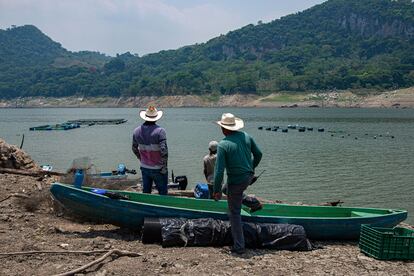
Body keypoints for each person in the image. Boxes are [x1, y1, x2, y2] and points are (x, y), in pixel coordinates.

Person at [213, 113, 263, 254]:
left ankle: (239, 246)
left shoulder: (223, 145)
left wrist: (215, 190)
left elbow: (218, 171)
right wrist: (252, 168)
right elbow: (259, 154)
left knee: (234, 213)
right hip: (247, 177)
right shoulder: (246, 136)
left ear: (224, 129)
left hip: (236, 181)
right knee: (226, 189)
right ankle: (254, 203)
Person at [132, 106, 168, 195]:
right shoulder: (160, 131)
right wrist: (164, 167)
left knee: (146, 192)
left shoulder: (136, 131)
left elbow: (134, 148)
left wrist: (140, 158)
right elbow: (164, 151)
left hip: (144, 167)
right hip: (158, 168)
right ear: (156, 118)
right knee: (163, 192)